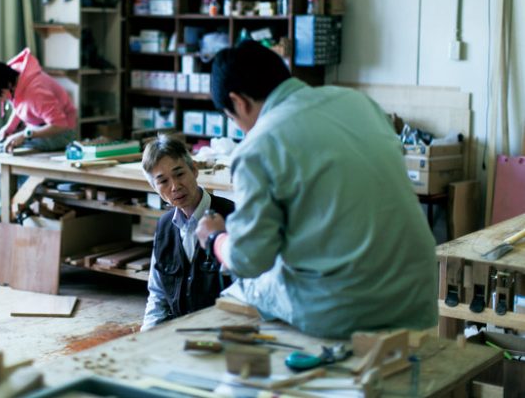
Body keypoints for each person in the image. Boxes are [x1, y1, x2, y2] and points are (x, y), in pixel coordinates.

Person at [196, 40, 438, 339]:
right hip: (417, 292)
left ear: (239, 102)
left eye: (233, 119)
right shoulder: (358, 102)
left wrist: (216, 238)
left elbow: (250, 260)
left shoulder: (258, 146)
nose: (242, 129)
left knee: (245, 287)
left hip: (347, 308)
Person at [140, 134, 235, 331]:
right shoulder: (165, 227)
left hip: (225, 332)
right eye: (163, 181)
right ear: (154, 188)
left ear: (194, 169)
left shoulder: (233, 217)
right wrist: (146, 337)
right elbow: (157, 295)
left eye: (179, 174)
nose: (175, 186)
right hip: (179, 332)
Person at [0, 48, 77, 215]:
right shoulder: (15, 79)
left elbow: (60, 124)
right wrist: (9, 128)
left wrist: (26, 134)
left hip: (62, 133)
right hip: (40, 127)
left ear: (1, 87)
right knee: (0, 151)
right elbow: (20, 105)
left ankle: (15, 209)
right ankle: (5, 210)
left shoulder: (35, 91)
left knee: (9, 153)